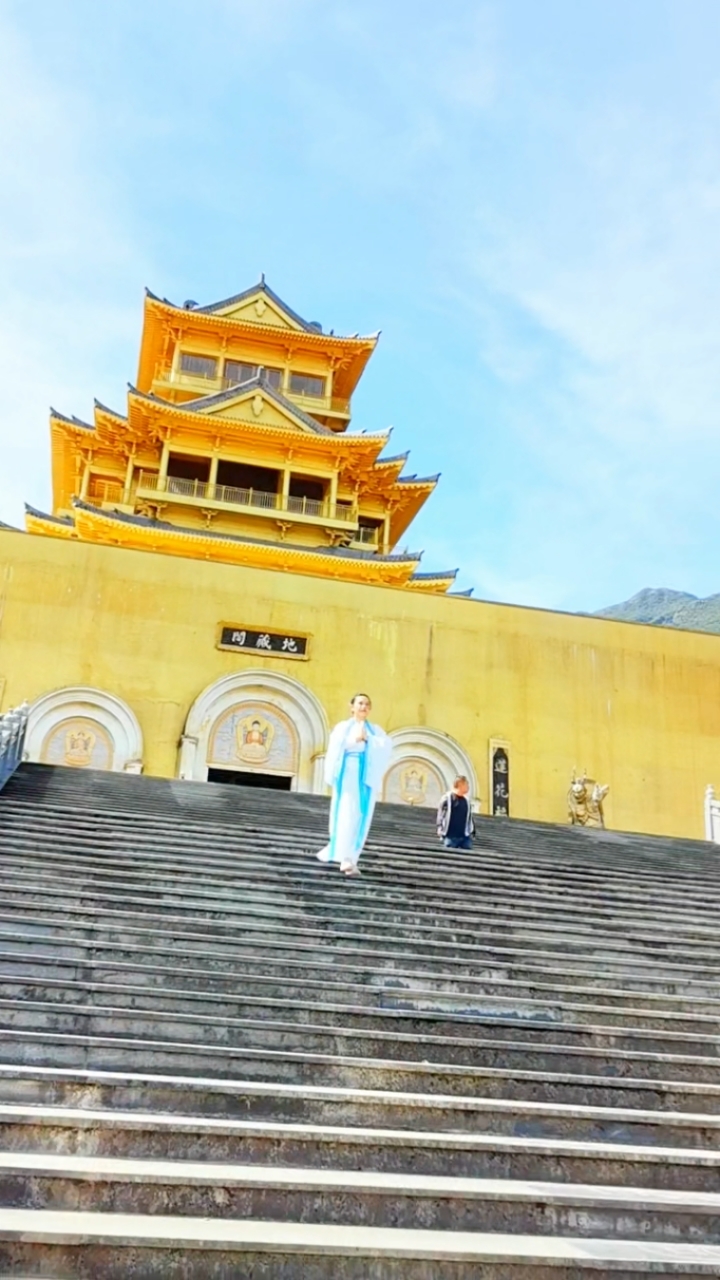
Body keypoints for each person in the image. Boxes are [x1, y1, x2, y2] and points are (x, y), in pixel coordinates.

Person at [317, 693, 392, 876]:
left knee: (360, 815)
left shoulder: (374, 730)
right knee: (347, 813)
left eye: (367, 704)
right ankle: (344, 856)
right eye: (360, 703)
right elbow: (335, 748)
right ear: (352, 707)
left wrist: (369, 740)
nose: (363, 707)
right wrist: (354, 740)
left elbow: (387, 746)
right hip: (348, 775)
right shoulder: (343, 728)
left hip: (365, 777)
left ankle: (351, 858)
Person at [437, 775, 475, 850]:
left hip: (464, 837)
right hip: (450, 836)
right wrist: (440, 828)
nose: (468, 787)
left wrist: (472, 831)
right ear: (460, 784)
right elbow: (441, 815)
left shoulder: (466, 801)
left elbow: (469, 818)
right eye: (466, 784)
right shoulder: (447, 798)